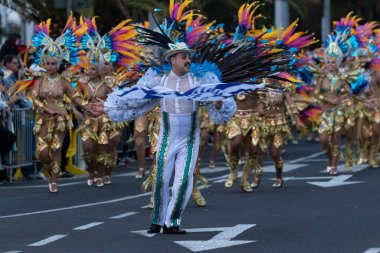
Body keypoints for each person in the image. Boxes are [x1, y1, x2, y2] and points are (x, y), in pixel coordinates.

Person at [90, 42, 236, 234]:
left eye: (188, 56)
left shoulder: (200, 82)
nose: (188, 60)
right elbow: (135, 101)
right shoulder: (159, 82)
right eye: (183, 56)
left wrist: (219, 103)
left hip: (189, 140)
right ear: (172, 59)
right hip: (167, 138)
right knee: (160, 181)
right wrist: (108, 107)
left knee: (183, 181)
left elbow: (220, 112)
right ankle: (157, 220)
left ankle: (172, 222)